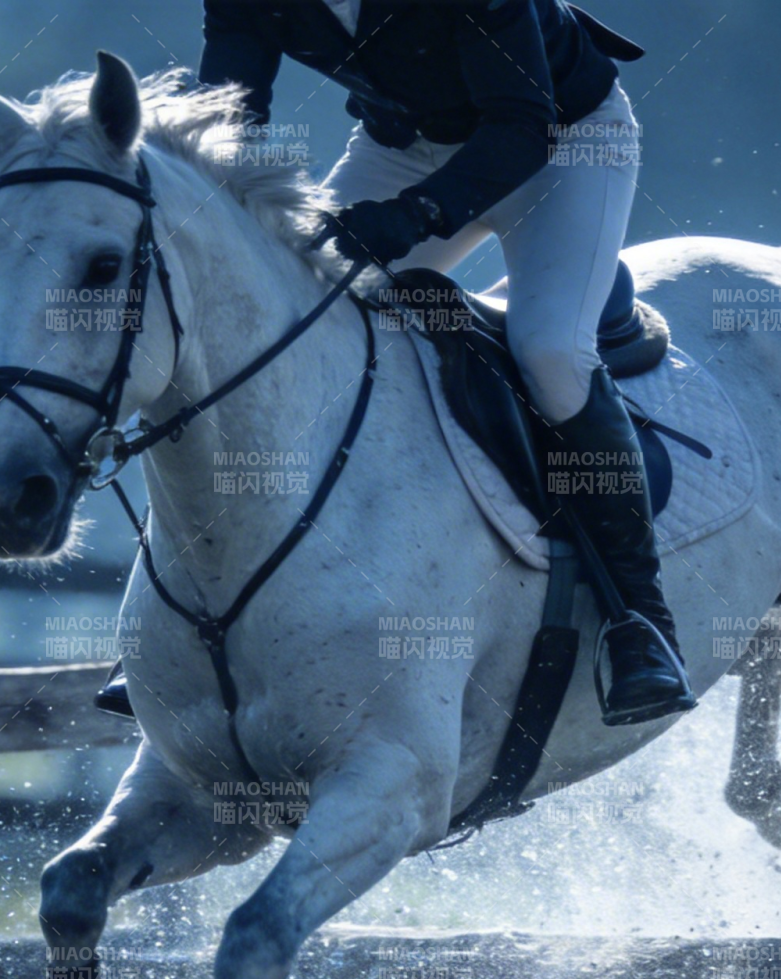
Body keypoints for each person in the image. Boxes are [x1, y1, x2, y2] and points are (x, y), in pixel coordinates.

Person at [199, 0, 694, 723]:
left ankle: (641, 624)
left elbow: (521, 125)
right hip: (400, 147)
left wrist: (417, 214)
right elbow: (227, 121)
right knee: (290, 324)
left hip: (562, 140)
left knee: (550, 351)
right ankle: (204, 612)